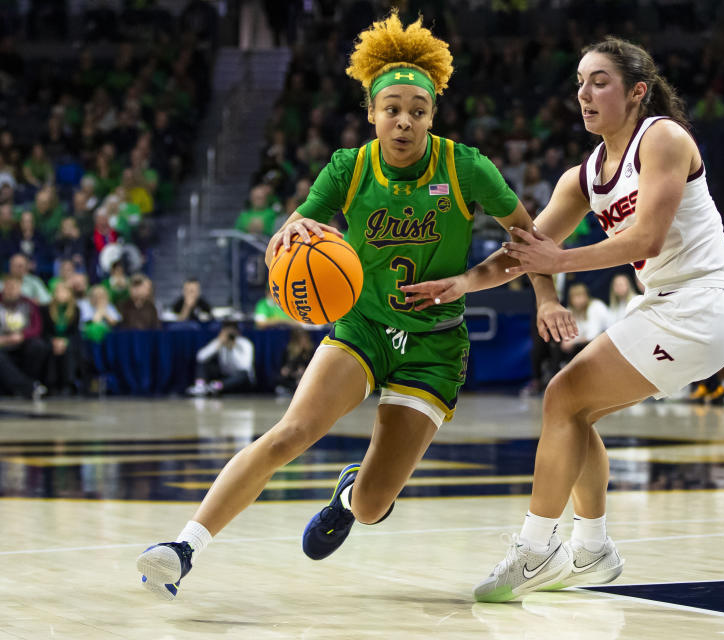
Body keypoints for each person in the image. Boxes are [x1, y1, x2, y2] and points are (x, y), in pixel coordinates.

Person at [137, 12, 567, 602]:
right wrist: (283, 242)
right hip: (364, 325)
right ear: (371, 112)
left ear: (433, 115)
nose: (405, 120)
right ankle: (183, 547)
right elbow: (299, 226)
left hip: (434, 348)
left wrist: (475, 282)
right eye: (392, 108)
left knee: (370, 504)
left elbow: (530, 245)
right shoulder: (349, 167)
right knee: (291, 432)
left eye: (418, 109)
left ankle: (348, 496)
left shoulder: (467, 167)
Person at [405, 36, 724, 602]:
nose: (584, 93)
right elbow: (525, 250)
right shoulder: (582, 176)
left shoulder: (662, 137)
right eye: (580, 83)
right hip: (669, 305)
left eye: (599, 81)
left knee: (562, 397)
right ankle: (592, 549)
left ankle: (538, 549)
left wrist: (559, 263)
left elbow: (647, 236)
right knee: (574, 411)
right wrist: (462, 283)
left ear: (637, 92)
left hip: (700, 303)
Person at [0, 275, 48, 399]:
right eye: (8, 286)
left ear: (20, 288)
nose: (11, 290)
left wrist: (22, 336)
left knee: (38, 346)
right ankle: (29, 387)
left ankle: (23, 386)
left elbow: (37, 328)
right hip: (2, 344)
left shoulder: (29, 303)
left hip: (22, 342)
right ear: (3, 287)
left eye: (14, 287)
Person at [186, 321, 255, 396]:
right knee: (204, 363)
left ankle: (215, 387)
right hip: (224, 374)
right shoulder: (219, 341)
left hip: (240, 378)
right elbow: (200, 357)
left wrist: (232, 348)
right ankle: (200, 387)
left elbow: (244, 366)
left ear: (237, 332)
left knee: (242, 375)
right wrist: (218, 344)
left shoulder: (245, 343)